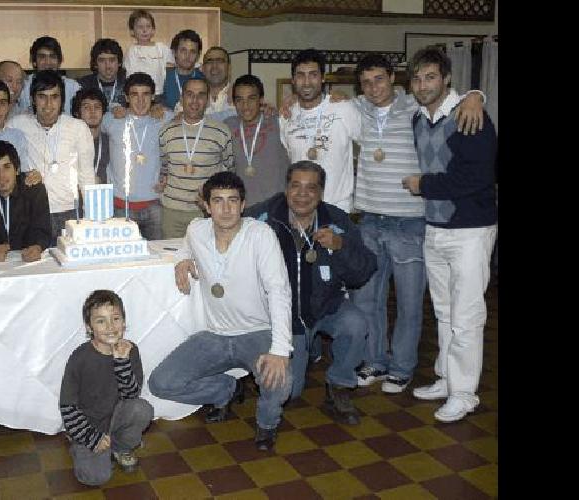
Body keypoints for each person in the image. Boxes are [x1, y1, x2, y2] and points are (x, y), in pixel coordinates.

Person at [347, 53, 484, 393]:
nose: (373, 87)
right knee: (368, 301)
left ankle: (402, 366)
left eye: (379, 79)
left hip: (409, 222)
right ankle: (374, 361)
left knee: (409, 303)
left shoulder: (415, 106)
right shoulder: (356, 109)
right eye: (366, 82)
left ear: (393, 78)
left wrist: (476, 96)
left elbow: (454, 98)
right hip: (368, 221)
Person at [148, 171, 292, 451]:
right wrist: (181, 259)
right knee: (161, 383)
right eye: (218, 201)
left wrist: (280, 350)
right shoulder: (196, 230)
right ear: (206, 205)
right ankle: (225, 388)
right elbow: (185, 247)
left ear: (243, 204)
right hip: (215, 336)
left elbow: (279, 291)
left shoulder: (261, 235)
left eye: (232, 201)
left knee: (281, 380)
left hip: (257, 332)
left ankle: (267, 423)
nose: (225, 209)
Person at [401, 48, 497, 423]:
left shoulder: (470, 115)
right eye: (418, 78)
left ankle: (464, 393)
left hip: (470, 230)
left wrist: (423, 184)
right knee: (443, 310)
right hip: (435, 227)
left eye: (430, 77)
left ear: (446, 79)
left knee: (467, 315)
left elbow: (476, 178)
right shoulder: (418, 119)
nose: (423, 85)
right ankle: (446, 378)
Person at [243, 161, 376, 424]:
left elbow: (364, 271)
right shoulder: (263, 216)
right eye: (295, 186)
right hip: (286, 318)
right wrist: (187, 254)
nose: (302, 194)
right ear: (286, 188)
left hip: (326, 307)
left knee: (356, 323)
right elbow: (225, 227)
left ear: (321, 192)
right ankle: (297, 350)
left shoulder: (337, 221)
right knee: (290, 393)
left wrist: (341, 247)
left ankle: (338, 384)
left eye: (311, 188)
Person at [59, 290, 154, 485]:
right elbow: (67, 406)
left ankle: (119, 447)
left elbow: (131, 395)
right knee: (95, 478)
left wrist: (122, 362)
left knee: (142, 408)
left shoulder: (130, 350)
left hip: (116, 419)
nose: (110, 327)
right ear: (89, 326)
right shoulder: (80, 357)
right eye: (101, 321)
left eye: (116, 319)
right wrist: (91, 438)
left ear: (124, 322)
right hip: (88, 425)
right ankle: (80, 443)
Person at [7, 70, 96, 241]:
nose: (48, 104)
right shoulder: (16, 125)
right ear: (33, 99)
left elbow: (86, 176)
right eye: (42, 96)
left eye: (54, 97)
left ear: (62, 100)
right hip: (30, 213)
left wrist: (91, 218)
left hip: (69, 212)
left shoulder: (78, 128)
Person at [278, 49, 362, 212]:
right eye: (301, 75)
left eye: (313, 74)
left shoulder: (343, 108)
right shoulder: (285, 117)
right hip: (301, 209)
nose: (307, 82)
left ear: (323, 77)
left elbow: (369, 146)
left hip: (338, 207)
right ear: (293, 80)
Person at [157, 77, 233, 239]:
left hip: (206, 211)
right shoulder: (166, 131)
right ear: (181, 98)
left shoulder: (221, 132)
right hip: (172, 212)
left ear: (207, 100)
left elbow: (229, 171)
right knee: (173, 260)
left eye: (201, 95)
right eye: (190, 94)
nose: (194, 100)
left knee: (207, 261)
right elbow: (164, 167)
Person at [100, 72, 170, 240]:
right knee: (123, 262)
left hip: (154, 205)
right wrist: (112, 107)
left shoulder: (164, 118)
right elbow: (89, 118)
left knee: (156, 260)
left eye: (146, 94)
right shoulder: (111, 119)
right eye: (134, 94)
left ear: (153, 96)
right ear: (126, 97)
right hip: (120, 206)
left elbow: (186, 119)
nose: (140, 100)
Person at [224, 74, 289, 203]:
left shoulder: (278, 122)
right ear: (234, 102)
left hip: (276, 206)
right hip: (242, 208)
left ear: (261, 99)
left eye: (251, 98)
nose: (245, 105)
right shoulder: (227, 126)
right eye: (239, 100)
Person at [16, 37, 82, 116]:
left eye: (52, 56)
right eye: (42, 57)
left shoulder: (73, 87)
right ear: (34, 62)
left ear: (59, 61)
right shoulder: (23, 86)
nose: (48, 62)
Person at [123, 9, 172, 98]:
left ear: (153, 30)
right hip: (140, 94)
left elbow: (175, 64)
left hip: (160, 92)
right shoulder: (132, 51)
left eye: (148, 26)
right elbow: (130, 75)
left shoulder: (161, 48)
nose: (144, 30)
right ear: (132, 31)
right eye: (140, 27)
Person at [72, 87, 111, 183]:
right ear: (77, 113)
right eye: (86, 107)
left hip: (103, 195)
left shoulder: (111, 142)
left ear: (103, 112)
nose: (92, 111)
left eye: (97, 107)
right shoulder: (69, 142)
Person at [77, 38, 128, 112]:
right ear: (95, 64)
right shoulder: (82, 85)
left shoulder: (128, 85)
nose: (108, 66)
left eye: (112, 60)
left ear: (119, 62)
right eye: (102, 61)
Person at [160, 30, 203, 110]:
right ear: (174, 52)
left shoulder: (203, 79)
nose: (187, 56)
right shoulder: (163, 76)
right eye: (183, 50)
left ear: (198, 55)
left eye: (192, 52)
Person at [190, 46, 235, 122]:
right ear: (203, 69)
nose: (214, 66)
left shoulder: (240, 97)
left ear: (229, 68)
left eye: (220, 61)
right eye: (210, 62)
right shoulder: (190, 98)